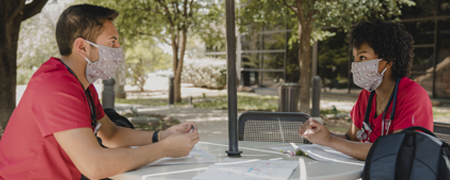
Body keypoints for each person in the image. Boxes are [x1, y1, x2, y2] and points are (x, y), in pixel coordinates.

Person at [0, 4, 199, 179]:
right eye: (112, 42)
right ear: (82, 47)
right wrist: (164, 149)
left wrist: (162, 136)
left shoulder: (81, 84)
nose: (119, 49)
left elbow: (111, 135)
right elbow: (95, 166)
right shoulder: (55, 86)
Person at [299, 20, 433, 160]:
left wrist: (330, 141)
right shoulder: (367, 96)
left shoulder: (413, 96)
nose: (356, 65)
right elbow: (351, 139)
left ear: (388, 60)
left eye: (362, 57)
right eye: (355, 58)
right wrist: (322, 135)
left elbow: (394, 151)